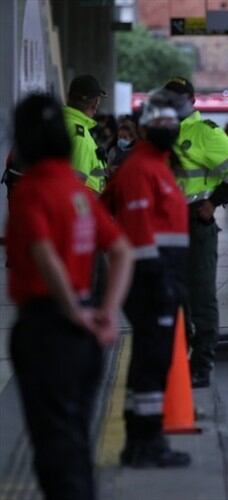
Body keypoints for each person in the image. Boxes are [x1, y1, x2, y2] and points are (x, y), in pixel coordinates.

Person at [7, 93, 133, 500]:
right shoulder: (76, 190)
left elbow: (43, 254)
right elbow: (120, 251)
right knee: (76, 436)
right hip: (84, 331)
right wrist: (106, 313)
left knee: (53, 445)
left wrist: (68, 311)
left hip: (46, 327)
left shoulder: (32, 190)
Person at [101, 89, 192, 468]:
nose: (168, 126)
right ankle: (145, 441)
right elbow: (138, 232)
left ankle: (143, 438)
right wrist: (159, 281)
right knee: (152, 360)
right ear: (144, 126)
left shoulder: (155, 163)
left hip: (159, 274)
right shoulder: (142, 169)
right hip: (151, 277)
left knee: (151, 358)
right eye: (161, 121)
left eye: (173, 120)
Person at [164, 77, 228, 387]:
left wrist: (213, 202)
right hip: (167, 225)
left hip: (194, 222)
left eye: (177, 98)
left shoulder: (205, 133)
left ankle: (201, 363)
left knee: (200, 295)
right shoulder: (162, 134)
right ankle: (180, 355)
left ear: (191, 99)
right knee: (174, 295)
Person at [64, 74, 108, 193]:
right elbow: (76, 187)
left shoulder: (63, 123)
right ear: (94, 103)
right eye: (97, 101)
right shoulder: (80, 135)